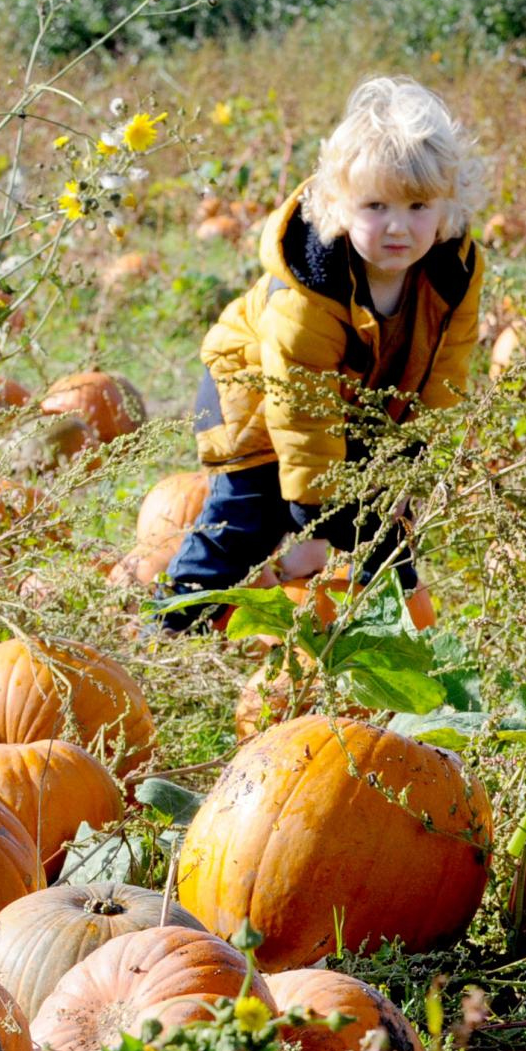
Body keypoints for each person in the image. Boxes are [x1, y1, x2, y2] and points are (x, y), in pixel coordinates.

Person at [158, 76, 485, 633]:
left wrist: (408, 460)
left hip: (352, 399)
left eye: (417, 205)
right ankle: (175, 627)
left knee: (385, 526)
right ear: (338, 204)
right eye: (376, 205)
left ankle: (399, 641)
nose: (398, 226)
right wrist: (318, 508)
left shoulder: (452, 274)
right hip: (259, 396)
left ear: (447, 205)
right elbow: (301, 405)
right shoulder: (310, 288)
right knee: (250, 519)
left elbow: (445, 371)